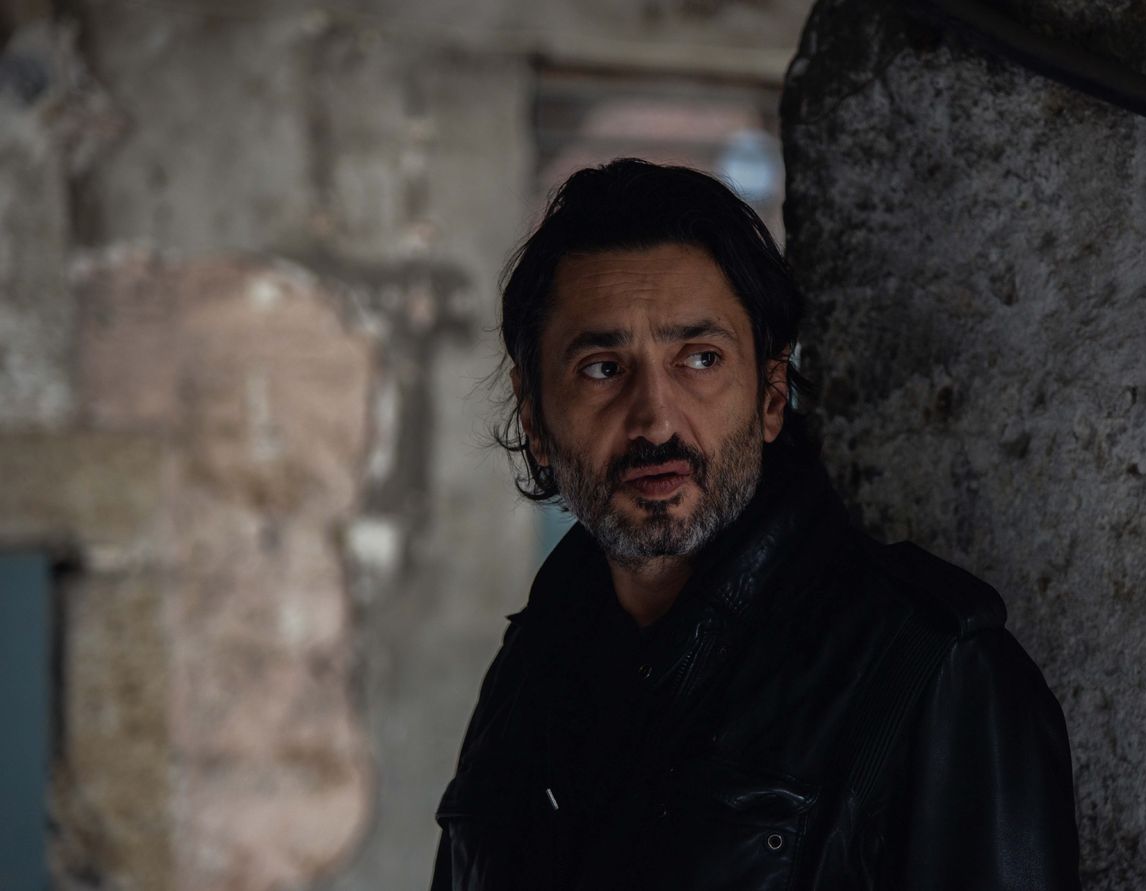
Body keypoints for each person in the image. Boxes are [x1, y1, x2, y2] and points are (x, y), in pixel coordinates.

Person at [429, 158, 1080, 890]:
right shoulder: (528, 669)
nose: (655, 420)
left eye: (700, 359)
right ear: (533, 417)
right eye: (603, 368)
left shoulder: (929, 669)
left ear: (771, 395)